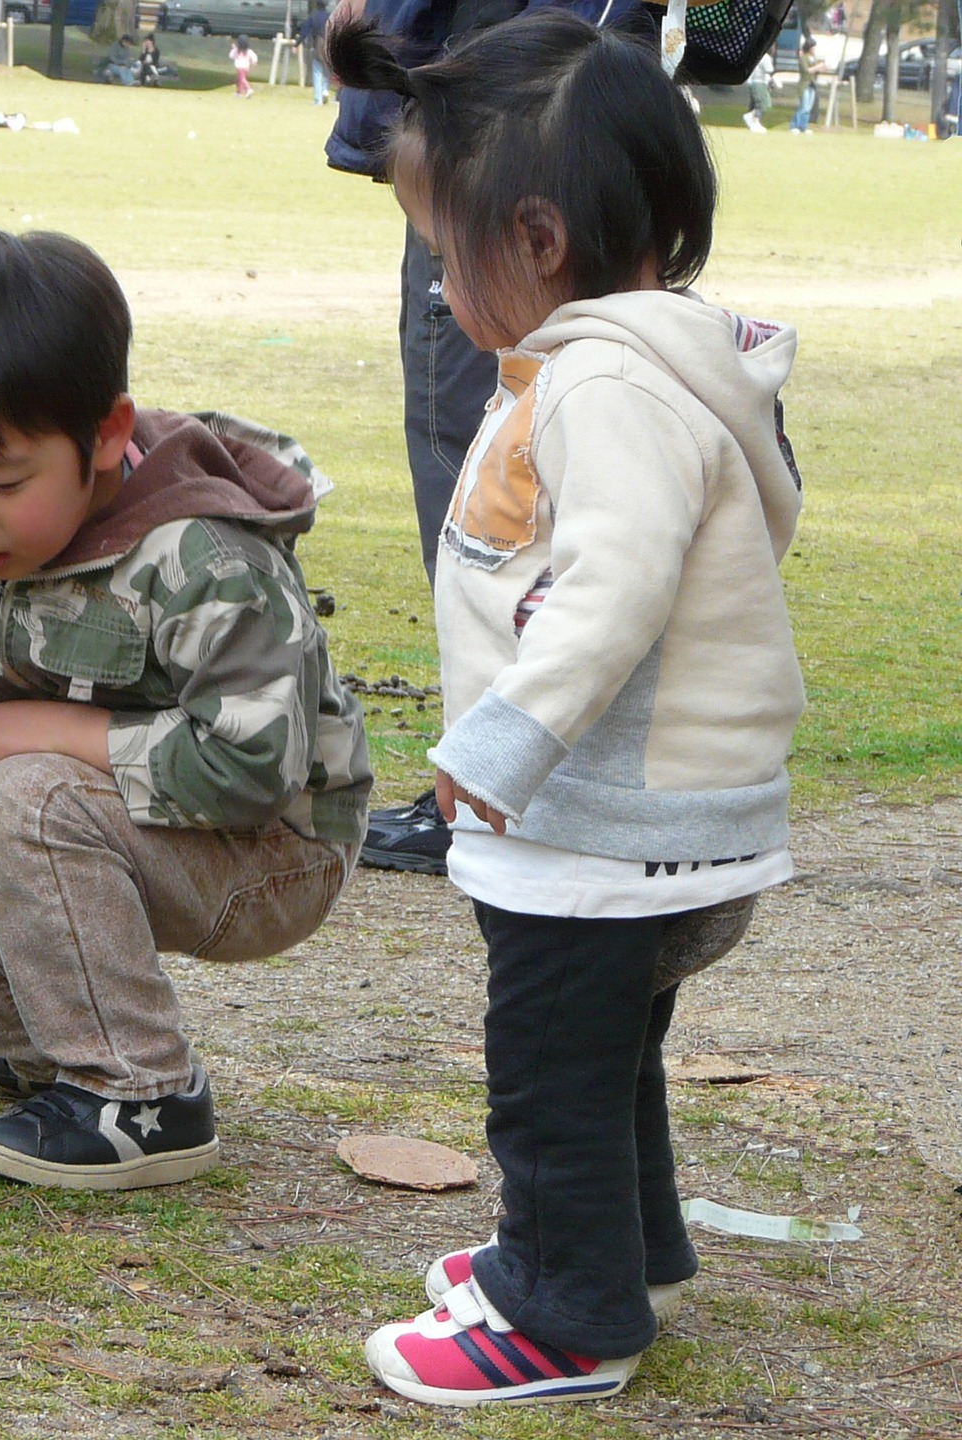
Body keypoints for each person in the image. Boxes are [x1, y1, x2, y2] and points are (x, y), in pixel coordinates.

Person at [326, 7, 804, 1406]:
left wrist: (502, 743)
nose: (436, 276)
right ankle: (624, 1254)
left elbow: (617, 584)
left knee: (544, 1065)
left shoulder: (606, 383)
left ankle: (564, 1316)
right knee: (610, 1056)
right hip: (652, 828)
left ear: (533, 240)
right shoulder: (638, 361)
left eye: (440, 244)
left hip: (604, 823)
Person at [0, 225, 371, 1192]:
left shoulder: (206, 559)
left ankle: (144, 1096)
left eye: (1, 481)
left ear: (108, 436)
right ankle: (49, 1059)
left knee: (24, 796)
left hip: (270, 855)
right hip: (110, 819)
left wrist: (56, 732)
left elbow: (253, 771)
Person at [298, 2, 334, 103]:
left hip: (317, 46)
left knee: (317, 71)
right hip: (329, 46)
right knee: (327, 70)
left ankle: (318, 99)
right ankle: (325, 89)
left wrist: (297, 44)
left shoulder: (313, 16)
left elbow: (304, 32)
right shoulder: (331, 16)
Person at [790, 38, 824, 131]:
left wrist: (820, 68)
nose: (814, 50)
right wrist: (817, 67)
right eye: (813, 48)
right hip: (804, 85)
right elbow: (806, 70)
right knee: (803, 106)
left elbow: (815, 71)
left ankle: (803, 126)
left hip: (812, 85)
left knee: (808, 108)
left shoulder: (814, 59)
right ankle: (794, 125)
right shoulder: (803, 58)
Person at [744, 47, 773, 130]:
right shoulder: (766, 57)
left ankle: (752, 121)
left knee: (754, 103)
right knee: (761, 104)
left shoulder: (756, 55)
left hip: (752, 81)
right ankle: (755, 121)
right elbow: (769, 69)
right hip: (760, 82)